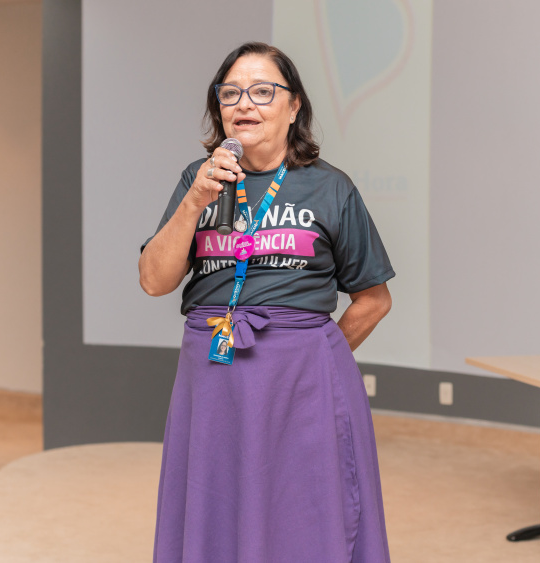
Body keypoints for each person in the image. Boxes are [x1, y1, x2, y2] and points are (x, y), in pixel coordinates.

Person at [139, 41, 394, 563]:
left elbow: (373, 298)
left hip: (302, 381)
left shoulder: (330, 187)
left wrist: (312, 359)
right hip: (212, 371)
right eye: (230, 92)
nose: (244, 104)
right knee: (215, 506)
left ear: (294, 105)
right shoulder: (198, 180)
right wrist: (195, 202)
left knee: (305, 512)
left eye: (262, 91)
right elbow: (154, 281)